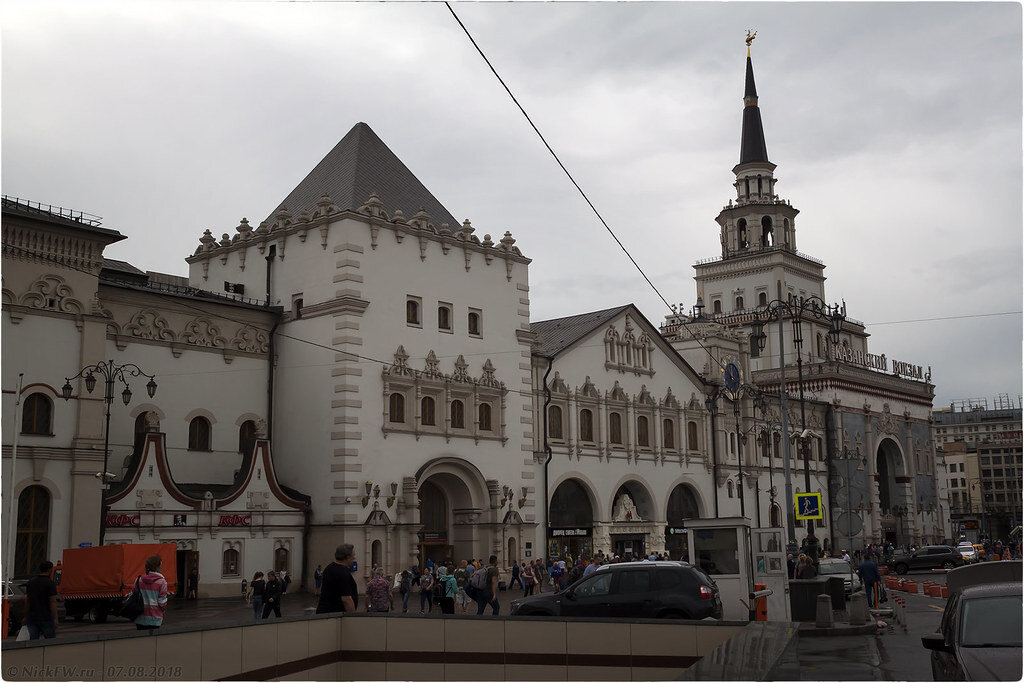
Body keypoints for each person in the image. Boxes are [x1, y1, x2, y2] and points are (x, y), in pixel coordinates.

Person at [316, 543, 358, 614]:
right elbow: (346, 599)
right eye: (353, 556)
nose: (354, 558)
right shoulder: (342, 572)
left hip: (325, 612)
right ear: (347, 557)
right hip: (335, 615)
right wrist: (353, 617)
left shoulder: (329, 568)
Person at [24, 560, 58, 639]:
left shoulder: (31, 583)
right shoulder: (50, 583)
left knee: (33, 641)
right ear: (50, 570)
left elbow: (28, 601)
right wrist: (55, 618)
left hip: (32, 617)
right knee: (50, 641)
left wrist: (25, 616)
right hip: (46, 618)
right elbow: (52, 602)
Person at [135, 555, 169, 630]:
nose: (161, 567)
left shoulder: (139, 579)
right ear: (156, 567)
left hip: (140, 617)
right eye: (160, 565)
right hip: (155, 618)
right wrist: (163, 610)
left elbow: (133, 595)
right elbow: (162, 603)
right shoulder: (162, 582)